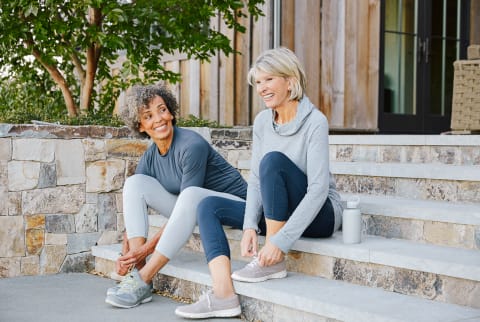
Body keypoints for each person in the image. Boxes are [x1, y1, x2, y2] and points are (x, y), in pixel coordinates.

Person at [105, 83, 246, 319]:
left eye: (162, 110)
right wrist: (128, 253)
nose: (159, 119)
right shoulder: (150, 156)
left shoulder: (192, 145)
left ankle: (145, 276)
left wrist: (146, 249)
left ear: (171, 111)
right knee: (134, 183)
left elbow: (187, 203)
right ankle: (138, 279)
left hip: (237, 207)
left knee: (189, 195)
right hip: (201, 211)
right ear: (141, 126)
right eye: (149, 116)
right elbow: (137, 202)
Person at [228, 46, 344, 282]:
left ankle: (272, 261)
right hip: (289, 211)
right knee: (212, 204)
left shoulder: (315, 121)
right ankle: (266, 262)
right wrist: (249, 225)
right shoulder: (262, 121)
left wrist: (278, 243)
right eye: (258, 82)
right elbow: (257, 180)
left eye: (269, 79)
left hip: (323, 216)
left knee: (273, 162)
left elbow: (318, 190)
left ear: (290, 82)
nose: (262, 88)